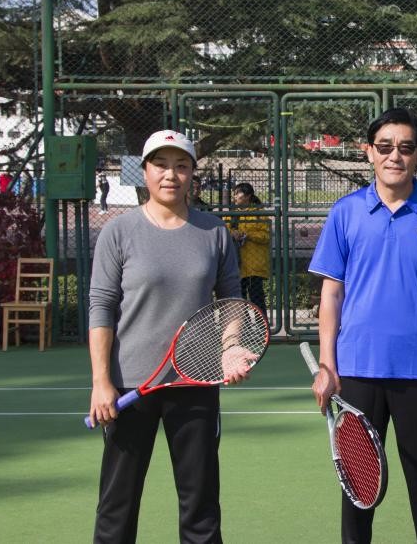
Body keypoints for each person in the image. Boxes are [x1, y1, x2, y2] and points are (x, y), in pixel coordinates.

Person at [309, 108, 417, 544]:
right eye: (385, 147)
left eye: (405, 147)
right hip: (356, 370)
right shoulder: (345, 213)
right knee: (358, 487)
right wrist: (327, 364)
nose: (394, 156)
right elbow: (331, 294)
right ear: (369, 152)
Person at [86, 129, 248, 542]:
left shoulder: (214, 232)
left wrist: (229, 347)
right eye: (161, 164)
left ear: (193, 173)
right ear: (145, 171)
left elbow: (231, 298)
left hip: (194, 381)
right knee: (116, 505)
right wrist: (101, 382)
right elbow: (101, 308)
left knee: (200, 506)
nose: (170, 175)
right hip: (130, 385)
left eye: (181, 165)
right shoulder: (118, 233)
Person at [226, 182, 271, 317]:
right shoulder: (232, 214)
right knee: (239, 300)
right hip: (237, 264)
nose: (234, 197)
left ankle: (262, 327)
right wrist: (232, 233)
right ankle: (244, 328)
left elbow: (266, 236)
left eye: (237, 194)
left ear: (248, 196)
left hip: (253, 266)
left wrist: (248, 235)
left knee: (257, 299)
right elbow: (224, 230)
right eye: (234, 194)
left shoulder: (259, 214)